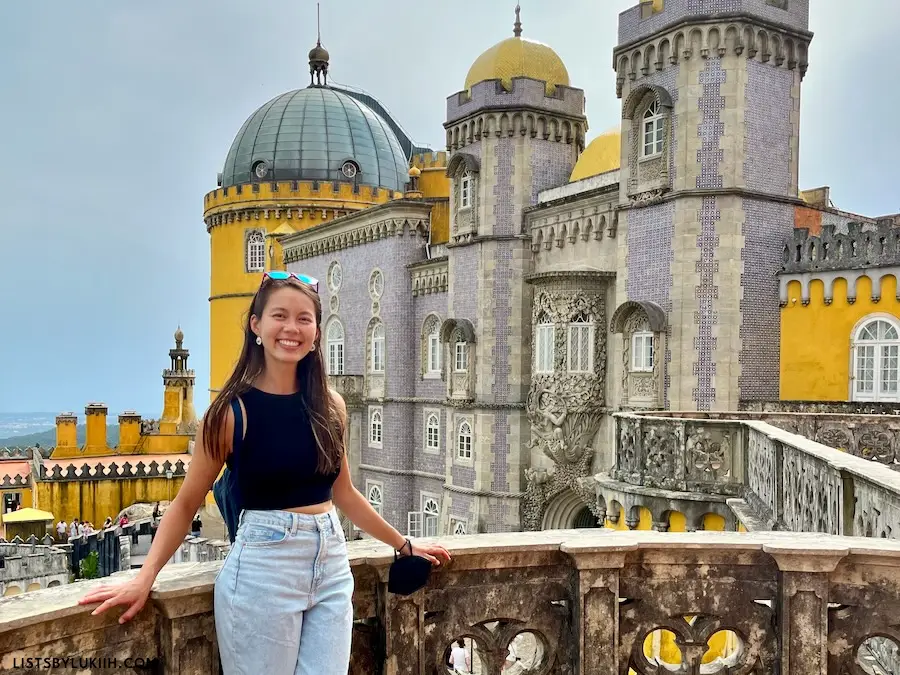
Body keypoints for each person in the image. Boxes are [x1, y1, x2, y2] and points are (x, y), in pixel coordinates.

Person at [79, 270, 452, 674]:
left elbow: (343, 493)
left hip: (331, 565)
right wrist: (144, 576)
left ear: (316, 332)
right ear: (256, 325)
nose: (291, 328)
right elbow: (186, 504)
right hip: (262, 570)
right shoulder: (229, 414)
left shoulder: (331, 406)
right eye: (279, 316)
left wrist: (403, 544)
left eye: (304, 318)